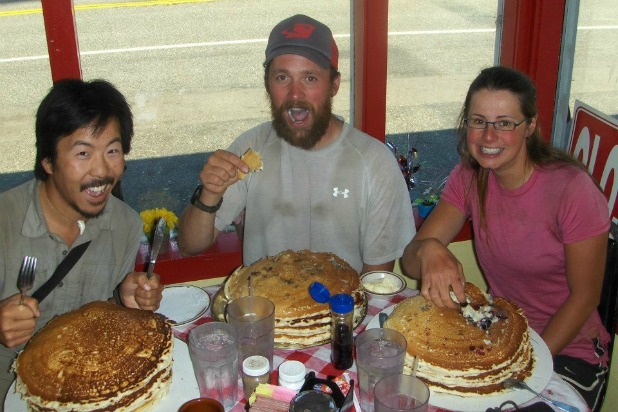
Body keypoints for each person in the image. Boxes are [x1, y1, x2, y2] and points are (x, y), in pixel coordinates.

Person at [400, 66, 610, 409]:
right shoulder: (469, 175)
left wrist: (525, 364)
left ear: (530, 126)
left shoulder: (571, 188)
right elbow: (411, 260)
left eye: (504, 123)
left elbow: (585, 297)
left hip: (569, 352)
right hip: (500, 335)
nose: (488, 136)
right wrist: (431, 251)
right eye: (478, 121)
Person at [178, 14, 414, 273]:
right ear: (267, 83)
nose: (295, 95)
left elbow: (376, 280)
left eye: (310, 78)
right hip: (263, 309)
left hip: (343, 310)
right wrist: (209, 193)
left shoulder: (374, 162)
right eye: (282, 78)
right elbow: (191, 245)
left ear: (334, 85)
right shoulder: (250, 148)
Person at [0, 79, 164, 396]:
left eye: (112, 150)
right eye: (83, 153)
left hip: (88, 392)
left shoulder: (125, 224)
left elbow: (101, 324)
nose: (102, 170)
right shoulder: (5, 222)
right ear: (47, 161)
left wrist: (123, 302)